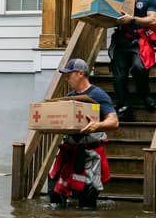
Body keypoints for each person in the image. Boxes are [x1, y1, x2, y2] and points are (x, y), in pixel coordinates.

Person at [47, 58, 120, 209]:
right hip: (69, 151)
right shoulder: (71, 97)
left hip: (89, 154)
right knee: (54, 195)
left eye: (69, 74)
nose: (66, 78)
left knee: (87, 200)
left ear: (80, 73)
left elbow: (114, 122)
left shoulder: (98, 95)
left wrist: (97, 125)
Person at [110, 0, 156, 121]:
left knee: (140, 68)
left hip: (138, 41)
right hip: (120, 39)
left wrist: (132, 19)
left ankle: (145, 93)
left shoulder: (151, 0)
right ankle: (124, 106)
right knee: (118, 76)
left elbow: (153, 20)